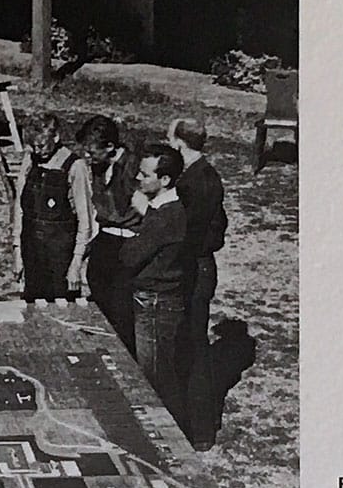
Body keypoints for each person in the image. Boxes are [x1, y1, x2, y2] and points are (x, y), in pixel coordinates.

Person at [116, 144, 189, 423]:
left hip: (156, 303)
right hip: (156, 300)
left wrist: (131, 239)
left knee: (155, 379)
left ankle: (173, 436)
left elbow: (129, 256)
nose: (138, 178)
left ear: (165, 180)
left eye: (146, 175)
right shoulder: (163, 211)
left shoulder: (163, 216)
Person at [169, 117, 229, 447]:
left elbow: (191, 233)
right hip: (199, 266)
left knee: (193, 348)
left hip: (194, 269)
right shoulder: (202, 175)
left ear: (180, 143)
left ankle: (201, 429)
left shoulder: (197, 182)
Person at [13, 113, 93, 301]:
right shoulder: (30, 160)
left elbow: (86, 220)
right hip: (32, 248)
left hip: (60, 254)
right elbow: (20, 208)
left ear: (55, 137)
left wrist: (76, 264)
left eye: (41, 145)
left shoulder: (75, 166)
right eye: (33, 146)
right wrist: (17, 251)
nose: (37, 151)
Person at [75, 114, 137, 345]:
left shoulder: (133, 167)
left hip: (128, 242)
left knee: (121, 308)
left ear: (110, 146)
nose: (87, 157)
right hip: (106, 238)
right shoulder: (100, 167)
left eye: (92, 152)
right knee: (98, 295)